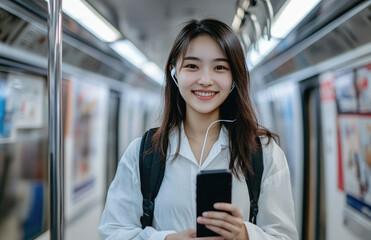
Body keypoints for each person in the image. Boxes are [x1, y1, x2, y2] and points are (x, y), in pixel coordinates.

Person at [98, 18, 298, 240]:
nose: (205, 80)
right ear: (174, 72)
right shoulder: (142, 153)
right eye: (192, 66)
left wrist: (245, 235)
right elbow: (112, 232)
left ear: (234, 78)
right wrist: (165, 239)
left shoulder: (264, 153)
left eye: (220, 67)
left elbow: (284, 236)